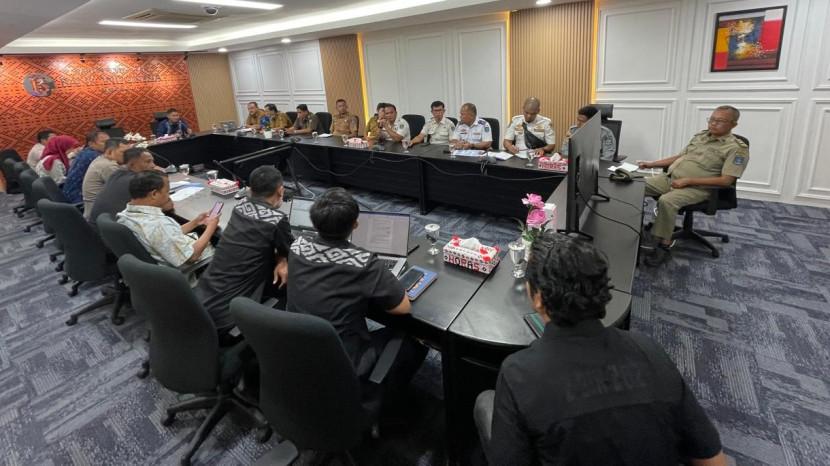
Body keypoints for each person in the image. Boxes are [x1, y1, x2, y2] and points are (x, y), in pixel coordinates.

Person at [482, 231, 727, 466]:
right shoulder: (650, 351)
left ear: (538, 298)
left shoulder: (519, 374)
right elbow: (710, 456)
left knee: (485, 402)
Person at [287, 188, 426, 394]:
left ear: (314, 223)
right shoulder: (363, 262)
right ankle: (382, 396)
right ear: (355, 225)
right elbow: (402, 308)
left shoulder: (297, 246)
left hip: (297, 349)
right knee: (416, 340)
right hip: (343, 362)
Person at [638, 105, 748, 267]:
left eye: (720, 121)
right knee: (635, 185)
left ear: (733, 124)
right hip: (670, 178)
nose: (713, 123)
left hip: (698, 188)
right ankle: (633, 229)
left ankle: (664, 245)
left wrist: (688, 181)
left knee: (667, 201)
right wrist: (652, 164)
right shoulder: (701, 137)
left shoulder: (737, 149)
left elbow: (726, 181)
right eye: (712, 119)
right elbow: (680, 157)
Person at [195, 166, 294, 343]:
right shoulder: (277, 219)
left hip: (199, 302)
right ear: (280, 190)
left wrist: (281, 258)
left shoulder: (240, 207)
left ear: (250, 190)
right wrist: (282, 260)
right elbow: (291, 251)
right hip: (226, 320)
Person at [117, 171, 217, 268]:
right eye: (167, 192)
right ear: (154, 194)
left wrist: (195, 222)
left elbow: (168, 235)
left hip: (180, 248)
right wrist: (211, 227)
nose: (169, 196)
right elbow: (192, 256)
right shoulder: (157, 224)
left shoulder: (127, 214)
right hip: (201, 264)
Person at [87, 147, 158, 228]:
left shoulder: (117, 174)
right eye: (148, 162)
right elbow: (158, 205)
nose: (153, 165)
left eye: (152, 161)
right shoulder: (136, 181)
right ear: (132, 164)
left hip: (101, 229)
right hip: (114, 231)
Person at [82, 138, 131, 217]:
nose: (128, 156)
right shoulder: (108, 166)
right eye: (124, 152)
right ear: (109, 152)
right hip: (100, 214)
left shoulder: (101, 159)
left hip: (99, 210)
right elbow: (127, 189)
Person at [61, 130, 110, 204]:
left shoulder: (86, 151)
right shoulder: (93, 156)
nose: (108, 145)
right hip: (79, 199)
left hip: (70, 194)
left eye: (109, 142)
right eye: (104, 142)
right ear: (91, 144)